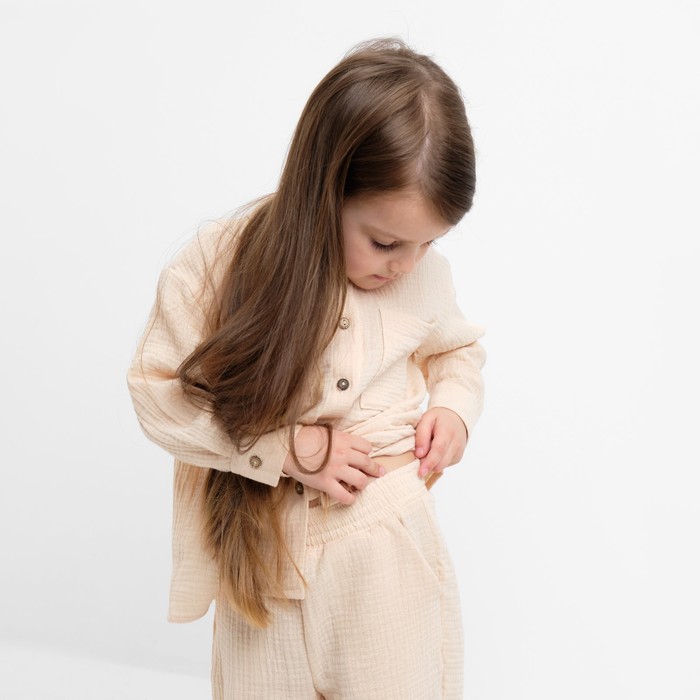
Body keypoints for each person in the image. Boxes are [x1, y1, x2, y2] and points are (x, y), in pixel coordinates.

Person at [127, 37, 486, 700]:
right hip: (259, 562)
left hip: (385, 553)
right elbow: (157, 396)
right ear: (324, 191)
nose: (407, 264)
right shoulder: (218, 262)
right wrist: (287, 448)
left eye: (429, 242)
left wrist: (454, 407)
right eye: (385, 241)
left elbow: (457, 349)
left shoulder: (423, 276)